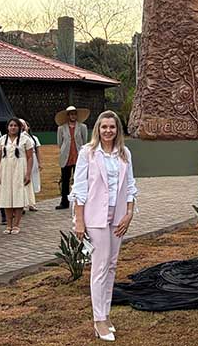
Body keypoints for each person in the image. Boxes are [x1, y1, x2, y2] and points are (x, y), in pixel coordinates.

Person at [72, 110, 138, 341]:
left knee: (111, 265)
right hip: (95, 217)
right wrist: (79, 220)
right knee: (99, 268)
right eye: (104, 127)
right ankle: (98, 319)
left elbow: (130, 186)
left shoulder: (124, 153)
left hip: (118, 217)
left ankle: (106, 313)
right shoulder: (88, 153)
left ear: (117, 129)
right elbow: (79, 189)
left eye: (112, 127)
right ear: (97, 129)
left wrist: (129, 214)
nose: (108, 131)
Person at [0, 118, 33, 234]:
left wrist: (28, 173)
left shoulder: (26, 140)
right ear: (7, 127)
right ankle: (8, 225)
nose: (13, 127)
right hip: (5, 169)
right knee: (6, 196)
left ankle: (16, 224)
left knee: (18, 195)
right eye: (11, 125)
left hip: (20, 169)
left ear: (20, 127)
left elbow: (30, 157)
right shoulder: (2, 140)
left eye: (15, 125)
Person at [55, 105, 89, 210]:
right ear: (68, 115)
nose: (73, 116)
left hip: (79, 156)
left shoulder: (82, 127)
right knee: (65, 180)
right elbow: (60, 143)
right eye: (71, 114)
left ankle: (81, 201)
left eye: (74, 114)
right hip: (66, 156)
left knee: (80, 179)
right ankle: (64, 202)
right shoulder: (61, 128)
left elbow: (84, 141)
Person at [20, 119, 41, 212]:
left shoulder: (33, 138)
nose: (24, 127)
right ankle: (23, 204)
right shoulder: (18, 138)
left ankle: (32, 203)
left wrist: (40, 163)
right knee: (24, 181)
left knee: (33, 180)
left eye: (25, 125)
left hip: (33, 159)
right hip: (23, 160)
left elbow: (37, 151)